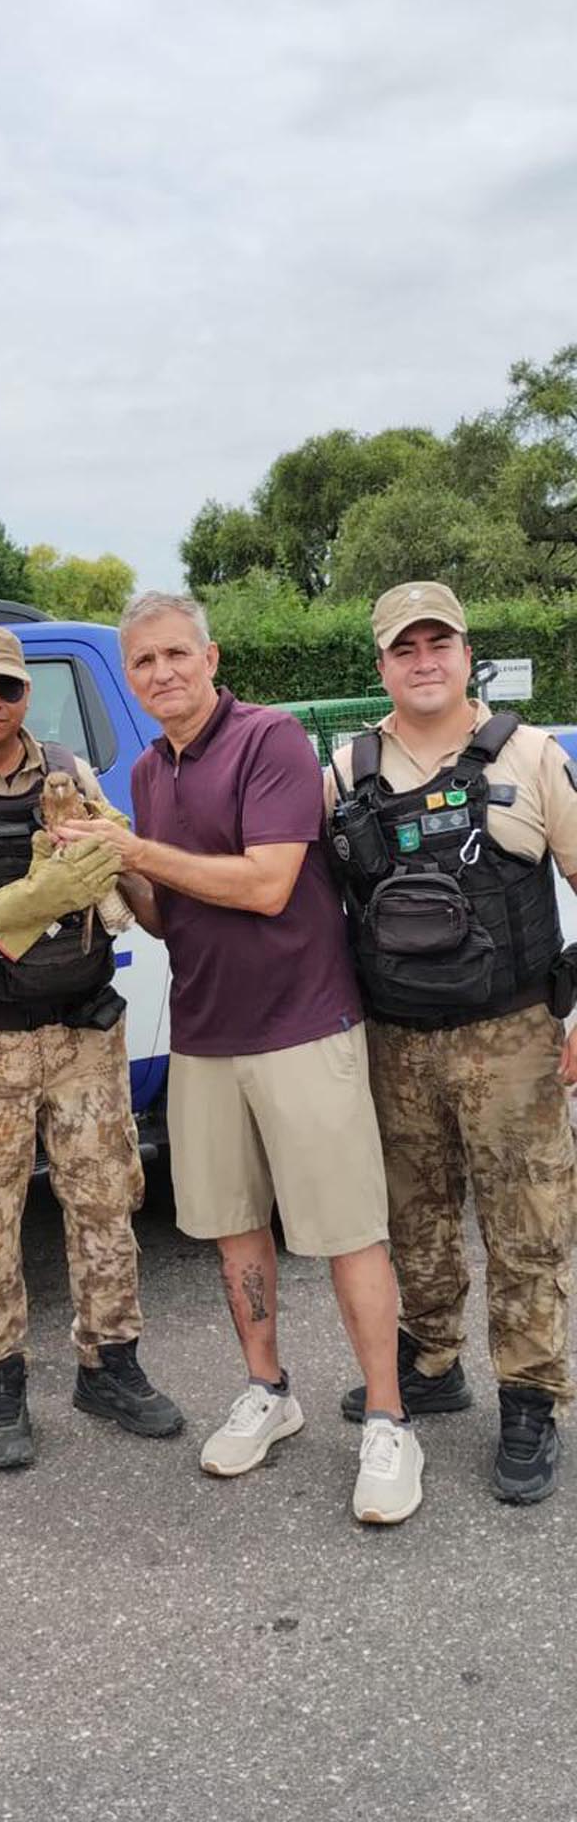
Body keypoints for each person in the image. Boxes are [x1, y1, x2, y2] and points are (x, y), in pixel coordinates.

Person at [59, 591, 424, 1525]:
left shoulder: (269, 743)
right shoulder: (143, 773)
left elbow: (267, 886)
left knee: (347, 1231)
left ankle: (388, 1419)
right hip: (206, 1031)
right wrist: (105, 863)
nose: (161, 674)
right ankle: (269, 1391)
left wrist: (134, 846)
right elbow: (163, 917)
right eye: (142, 662)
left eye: (177, 654)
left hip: (303, 1024)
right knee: (233, 1231)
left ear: (211, 658)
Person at [0, 625, 183, 1470]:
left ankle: (110, 1363)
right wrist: (23, 899)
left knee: (108, 1200)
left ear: (25, 692)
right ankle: (0, 1384)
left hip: (83, 1028)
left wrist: (131, 872)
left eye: (7, 687)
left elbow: (125, 870)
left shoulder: (69, 772)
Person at [325, 581, 577, 1504]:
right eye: (404, 648)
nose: (424, 661)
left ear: (469, 654)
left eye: (440, 643)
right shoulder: (346, 772)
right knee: (414, 1220)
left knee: (527, 1223)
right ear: (382, 664)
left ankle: (529, 1398)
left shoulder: (533, 755)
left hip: (511, 1034)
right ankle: (431, 1365)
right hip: (396, 1041)